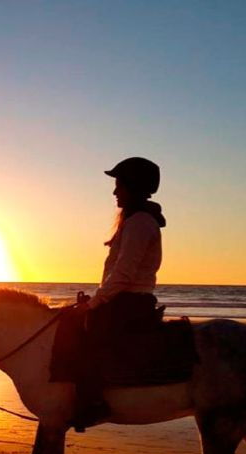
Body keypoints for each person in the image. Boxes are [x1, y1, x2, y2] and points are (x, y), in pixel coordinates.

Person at [71, 157, 166, 429]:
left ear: (133, 187)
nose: (115, 192)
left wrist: (94, 304)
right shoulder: (134, 221)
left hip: (129, 302)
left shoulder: (139, 223)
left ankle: (94, 403)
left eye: (119, 185)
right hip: (126, 299)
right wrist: (96, 298)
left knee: (86, 337)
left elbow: (123, 275)